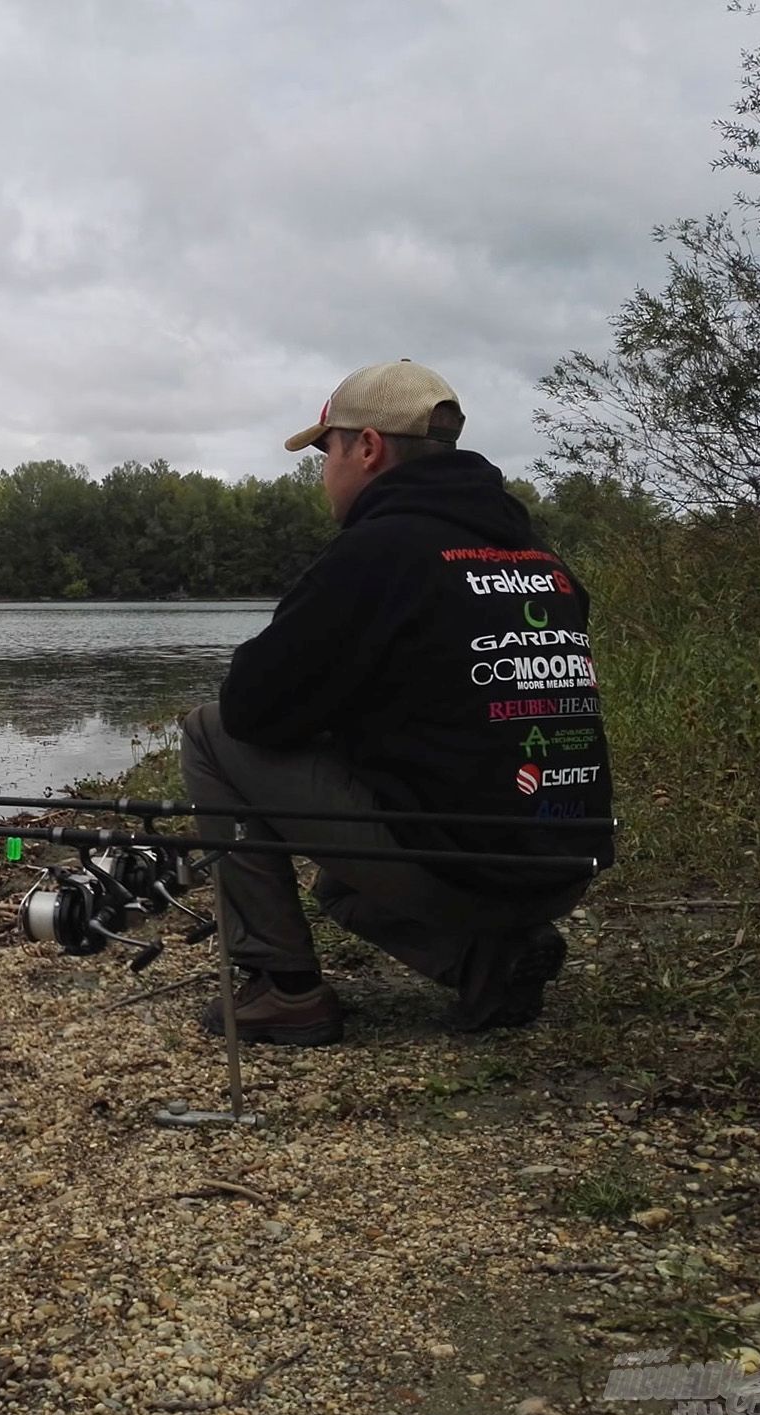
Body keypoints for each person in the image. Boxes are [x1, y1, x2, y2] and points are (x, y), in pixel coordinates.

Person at [181, 360, 613, 1044]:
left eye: (327, 451)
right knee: (340, 886)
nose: (324, 471)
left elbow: (249, 710)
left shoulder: (380, 551)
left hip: (473, 869)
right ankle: (487, 960)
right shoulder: (537, 553)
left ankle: (282, 988)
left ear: (369, 447)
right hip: (564, 866)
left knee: (209, 733)